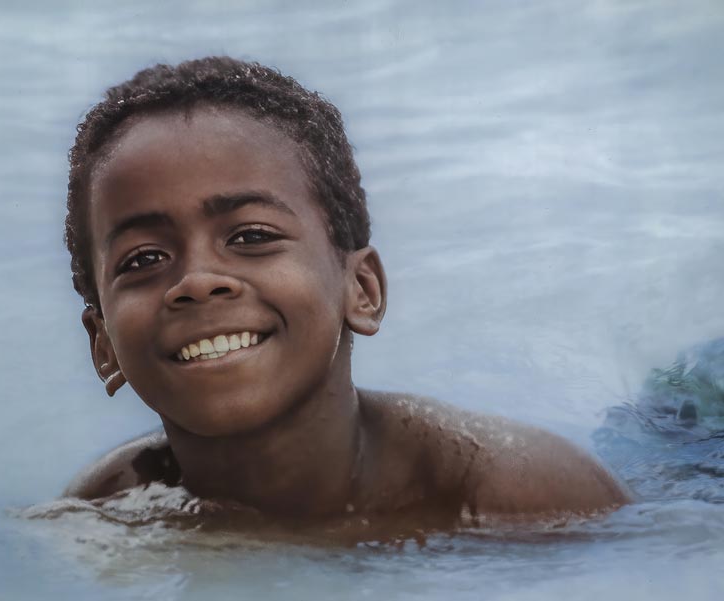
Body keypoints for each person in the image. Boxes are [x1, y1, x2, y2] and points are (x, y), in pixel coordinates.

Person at [62, 56, 629, 522]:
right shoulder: (102, 516)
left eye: (252, 235)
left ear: (361, 289)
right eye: (144, 259)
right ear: (103, 343)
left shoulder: (527, 499)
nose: (198, 281)